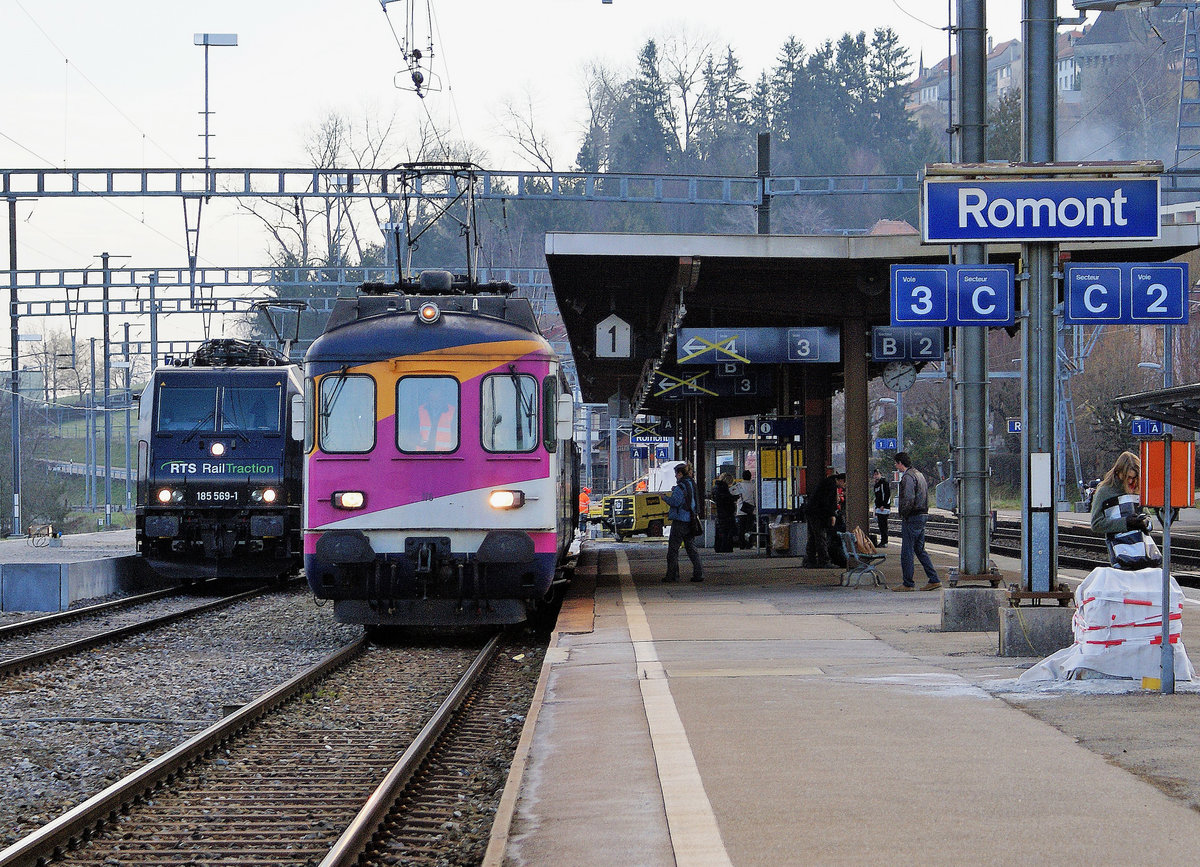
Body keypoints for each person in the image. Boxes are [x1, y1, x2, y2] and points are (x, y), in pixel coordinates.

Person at [1090, 451, 1157, 569]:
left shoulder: (1137, 490)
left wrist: (1145, 523)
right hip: (1119, 549)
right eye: (1128, 477)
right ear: (1118, 472)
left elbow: (1147, 516)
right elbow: (1096, 524)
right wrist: (1126, 523)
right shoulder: (1105, 492)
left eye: (1134, 477)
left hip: (1142, 547)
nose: (1131, 481)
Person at [892, 452, 941, 591]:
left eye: (896, 464)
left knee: (907, 551)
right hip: (922, 515)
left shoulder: (908, 477)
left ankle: (908, 583)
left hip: (912, 516)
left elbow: (908, 498)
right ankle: (934, 579)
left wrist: (904, 514)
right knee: (919, 550)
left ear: (900, 463)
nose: (896, 466)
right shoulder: (919, 474)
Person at [663, 462, 703, 583]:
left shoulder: (680, 487)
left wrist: (664, 498)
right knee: (692, 549)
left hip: (680, 521)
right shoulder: (692, 484)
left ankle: (672, 575)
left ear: (680, 474)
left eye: (676, 474)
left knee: (673, 550)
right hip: (691, 520)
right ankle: (698, 574)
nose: (675, 476)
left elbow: (675, 502)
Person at [805, 471, 846, 568]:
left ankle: (810, 561)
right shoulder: (831, 485)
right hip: (817, 514)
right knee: (820, 537)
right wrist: (832, 515)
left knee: (813, 537)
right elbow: (828, 502)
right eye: (844, 483)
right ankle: (824, 561)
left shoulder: (828, 482)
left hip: (812, 512)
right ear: (840, 480)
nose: (843, 487)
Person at [712, 472, 738, 553]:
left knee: (721, 531)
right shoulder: (723, 489)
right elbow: (727, 500)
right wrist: (734, 498)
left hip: (720, 513)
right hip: (726, 514)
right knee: (727, 532)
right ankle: (726, 548)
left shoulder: (716, 487)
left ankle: (719, 547)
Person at [733, 470, 757, 549]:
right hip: (750, 510)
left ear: (742, 477)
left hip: (741, 510)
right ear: (750, 477)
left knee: (741, 529)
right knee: (749, 528)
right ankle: (749, 544)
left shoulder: (738, 485)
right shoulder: (753, 486)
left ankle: (742, 545)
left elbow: (734, 496)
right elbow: (755, 498)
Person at [872, 469, 892, 546]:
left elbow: (886, 494)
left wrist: (883, 505)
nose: (876, 476)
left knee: (883, 525)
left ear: (880, 474)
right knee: (881, 524)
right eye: (875, 474)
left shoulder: (883, 483)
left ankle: (884, 541)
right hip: (879, 507)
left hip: (883, 508)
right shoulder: (876, 485)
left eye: (877, 474)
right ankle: (883, 540)